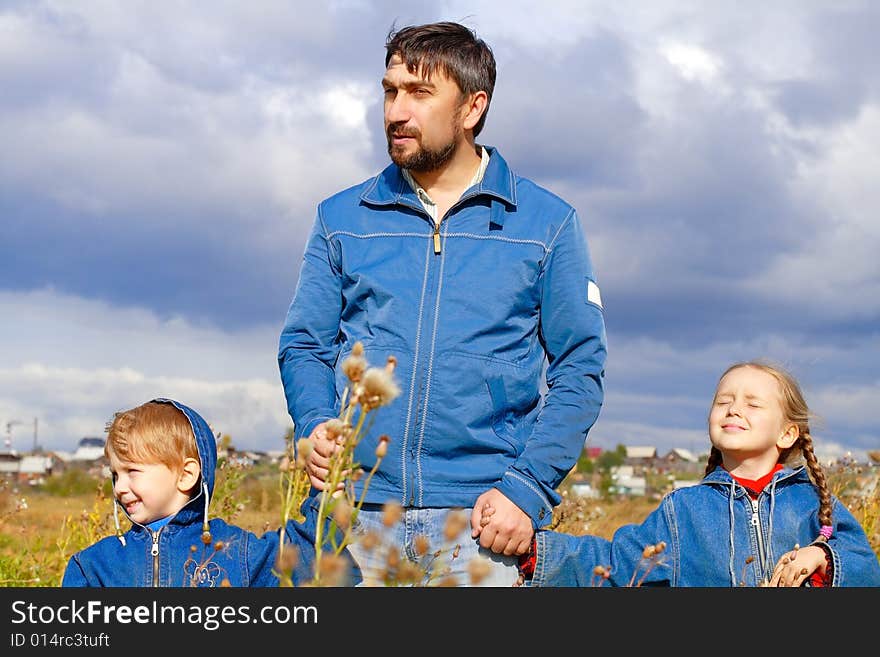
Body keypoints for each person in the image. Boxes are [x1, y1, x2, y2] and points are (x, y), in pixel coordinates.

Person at [278, 21, 607, 586]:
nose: (395, 111)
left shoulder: (547, 224)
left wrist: (525, 491)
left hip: (482, 522)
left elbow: (580, 369)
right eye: (390, 90)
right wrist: (314, 424)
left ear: (472, 108)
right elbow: (304, 344)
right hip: (353, 513)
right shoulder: (341, 218)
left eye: (420, 93)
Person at [488, 361, 880, 586]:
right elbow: (617, 563)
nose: (733, 409)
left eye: (752, 403)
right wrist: (536, 552)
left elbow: (864, 566)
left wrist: (821, 555)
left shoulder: (811, 503)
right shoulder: (684, 512)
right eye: (723, 400)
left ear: (787, 432)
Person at [62, 398, 326, 587]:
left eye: (132, 472)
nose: (119, 487)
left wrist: (329, 484)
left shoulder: (238, 553)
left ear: (186, 475)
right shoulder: (93, 566)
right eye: (115, 474)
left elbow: (308, 549)